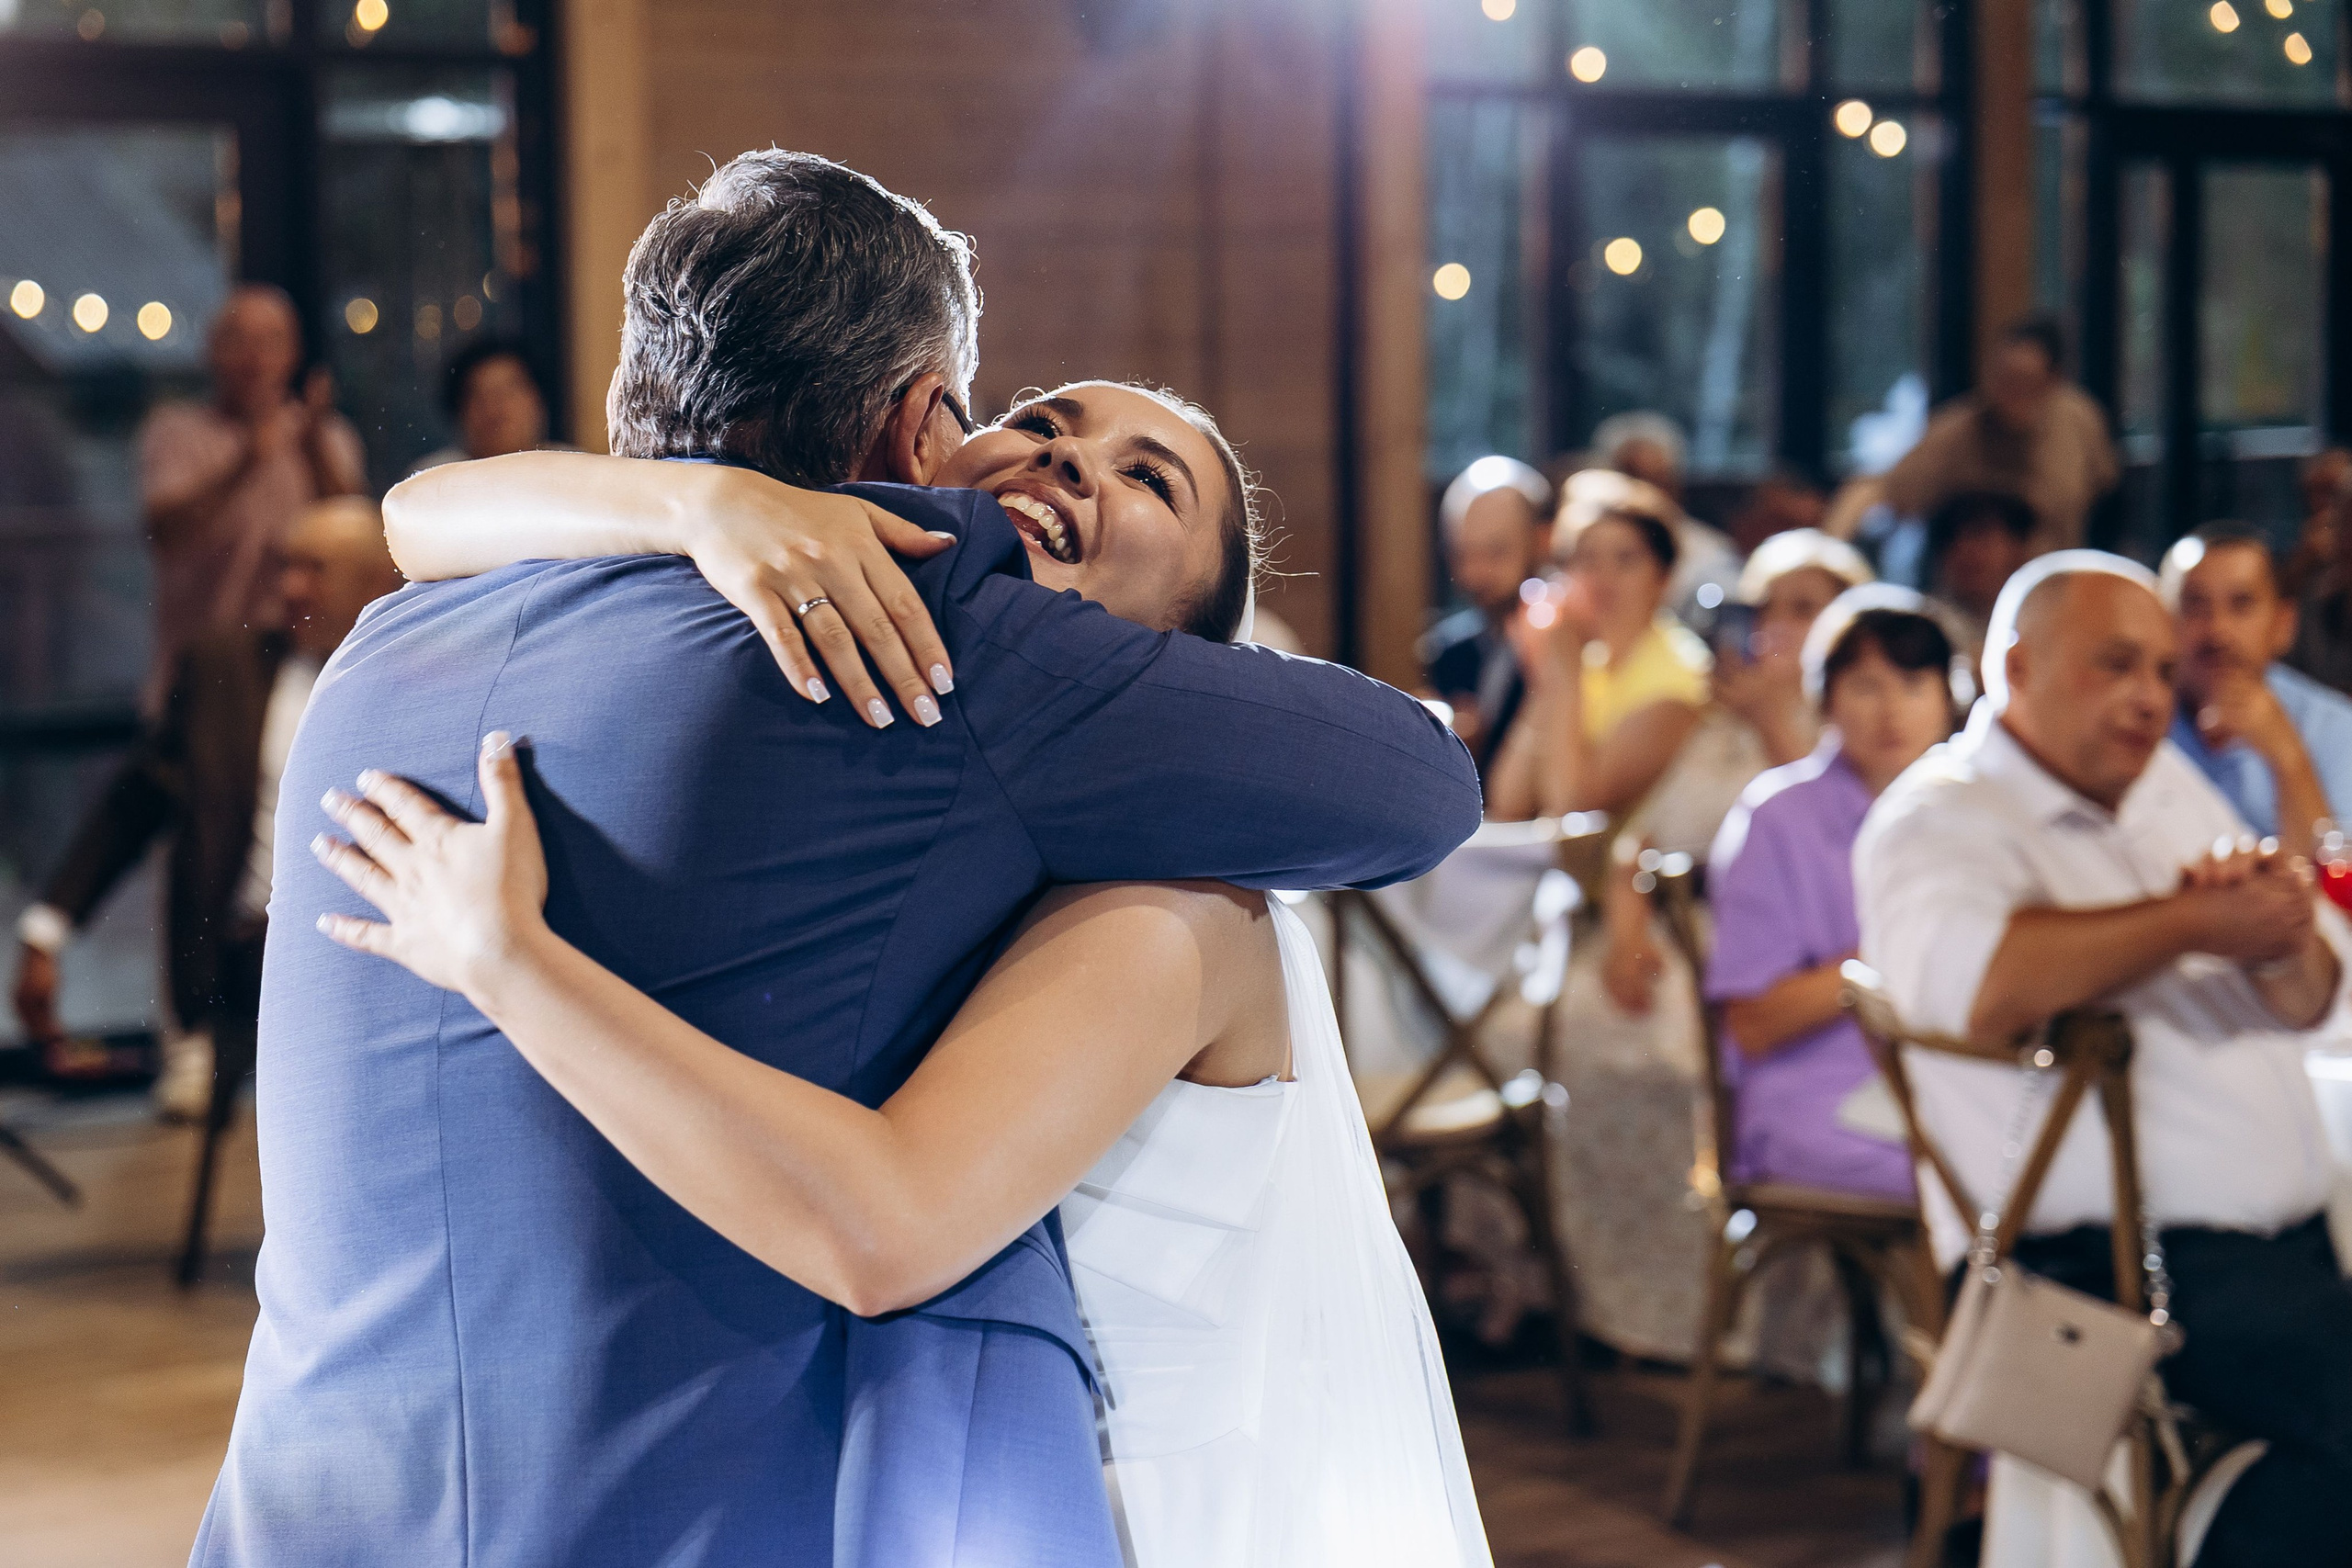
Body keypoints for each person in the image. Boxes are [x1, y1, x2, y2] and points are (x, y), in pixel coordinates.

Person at [193, 150, 1488, 1568]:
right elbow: (1421, 786)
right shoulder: (946, 648)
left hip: (304, 1500)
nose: (1067, 462)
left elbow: (416, 516)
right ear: (929, 426)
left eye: (1148, 477)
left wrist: (688, 503)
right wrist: (701, 506)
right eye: (1035, 422)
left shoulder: (385, 642)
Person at [1855, 550, 2352, 1567]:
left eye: (2163, 671)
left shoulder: (2159, 784)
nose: (2150, 698)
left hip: (2272, 1251)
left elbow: (2316, 1000)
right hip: (2106, 1271)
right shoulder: (1939, 816)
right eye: (2115, 664)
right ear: (2016, 668)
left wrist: (2275, 932)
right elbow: (1984, 987)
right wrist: (2189, 920)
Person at [12, 500, 400, 1119]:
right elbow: (132, 806)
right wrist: (46, 931)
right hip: (238, 964)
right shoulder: (226, 669)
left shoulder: (412, 678)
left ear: (377, 580)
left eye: (315, 569)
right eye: (285, 566)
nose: (290, 587)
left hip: (376, 966)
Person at [1703, 591, 1962, 1199]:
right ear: (1825, 698)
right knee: (1982, 1187)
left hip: (1946, 1081)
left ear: (1949, 700)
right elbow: (1752, 1023)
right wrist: (1883, 958)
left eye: (1913, 684)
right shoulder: (1778, 816)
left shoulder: (1969, 815)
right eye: (1867, 686)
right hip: (1819, 1090)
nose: (1891, 710)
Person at [137, 284, 366, 715]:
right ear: (211, 352)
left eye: (271, 342)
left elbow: (357, 544)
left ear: (294, 353)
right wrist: (246, 463)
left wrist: (313, 448)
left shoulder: (327, 435)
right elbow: (164, 533)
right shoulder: (175, 431)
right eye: (238, 341)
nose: (254, 358)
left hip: (307, 675)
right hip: (199, 678)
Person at [1485, 490, 1708, 821]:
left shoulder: (1682, 677)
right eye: (1588, 559)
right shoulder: (1587, 661)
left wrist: (1563, 672)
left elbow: (1573, 809)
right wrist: (1551, 673)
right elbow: (1508, 801)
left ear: (1663, 578)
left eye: (1625, 559)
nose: (1604, 577)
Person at [1825, 314, 2120, 555]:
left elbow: (2108, 494)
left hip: (2057, 585)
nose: (2010, 396)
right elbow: (1880, 489)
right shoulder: (1959, 431)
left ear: (2053, 381)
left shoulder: (2081, 420)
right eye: (2003, 379)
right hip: (1973, 597)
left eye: (2024, 383)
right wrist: (1828, 556)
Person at [2161, 525, 2352, 859]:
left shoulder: (2337, 729)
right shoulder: (2134, 721)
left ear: (2283, 625)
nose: (2218, 631)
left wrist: (2288, 757)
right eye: (2194, 606)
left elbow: (2339, 879)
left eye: (2241, 604)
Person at [1420, 456, 1552, 770]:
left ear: (1542, 541)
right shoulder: (1446, 650)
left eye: (1496, 552)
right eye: (1462, 554)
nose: (1475, 573)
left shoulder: (1572, 640)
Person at [1581, 420, 1741, 613]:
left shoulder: (1711, 553)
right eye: (1633, 476)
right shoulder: (1578, 542)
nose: (1645, 490)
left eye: (1656, 478)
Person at [406, 338, 563, 473]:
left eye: (509, 391)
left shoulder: (570, 469)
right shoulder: (433, 478)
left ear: (539, 400)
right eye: (480, 395)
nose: (494, 406)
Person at [1924, 489, 2039, 667]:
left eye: (1980, 534)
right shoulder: (1926, 630)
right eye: (1951, 539)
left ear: (2019, 547)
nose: (1965, 549)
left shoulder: (2046, 623)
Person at [2283, 446, 2351, 596]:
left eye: (2331, 490)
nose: (2318, 502)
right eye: (2312, 492)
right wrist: (2304, 557)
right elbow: (2283, 595)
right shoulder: (2309, 535)